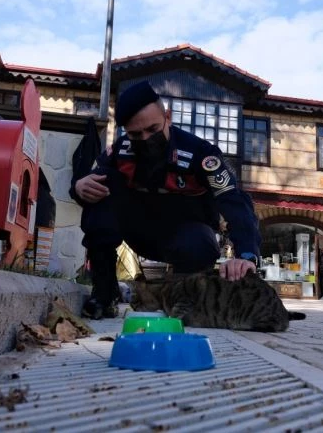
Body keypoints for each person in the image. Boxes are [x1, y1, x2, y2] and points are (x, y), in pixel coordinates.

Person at [71, 81, 261, 319]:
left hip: (188, 239)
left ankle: (187, 302)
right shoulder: (121, 152)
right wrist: (78, 186)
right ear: (126, 132)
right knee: (100, 191)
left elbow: (234, 200)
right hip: (140, 233)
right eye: (135, 134)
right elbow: (88, 183)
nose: (146, 138)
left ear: (168, 117)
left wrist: (246, 256)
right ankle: (104, 294)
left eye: (153, 129)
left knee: (199, 245)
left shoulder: (200, 155)